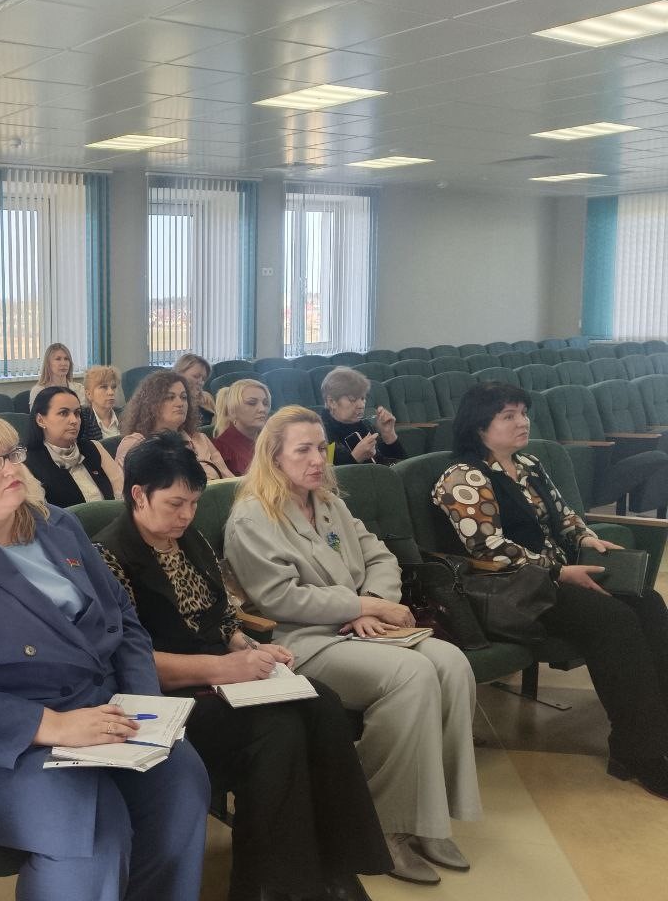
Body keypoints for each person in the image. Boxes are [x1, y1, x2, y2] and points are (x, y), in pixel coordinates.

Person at [0, 415, 211, 901]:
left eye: (12, 454)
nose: (10, 468)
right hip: (1, 743)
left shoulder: (56, 523)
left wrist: (144, 707)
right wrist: (51, 726)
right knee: (91, 826)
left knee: (181, 782)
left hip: (103, 712)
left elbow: (122, 620)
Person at [94, 433, 390, 901]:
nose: (187, 515)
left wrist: (252, 648)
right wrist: (223, 668)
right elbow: (128, 661)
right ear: (138, 495)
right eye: (175, 504)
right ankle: (270, 886)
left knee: (322, 703)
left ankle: (335, 867)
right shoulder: (110, 556)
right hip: (165, 698)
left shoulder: (187, 540)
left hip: (222, 676)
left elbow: (224, 619)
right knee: (277, 731)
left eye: (194, 503)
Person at [225, 406, 481, 886]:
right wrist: (359, 606)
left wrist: (374, 606)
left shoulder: (329, 504)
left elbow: (380, 556)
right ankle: (383, 823)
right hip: (301, 640)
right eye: (302, 450)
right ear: (274, 457)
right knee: (411, 676)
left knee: (451, 664)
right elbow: (278, 597)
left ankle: (429, 818)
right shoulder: (252, 516)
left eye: (319, 448)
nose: (316, 460)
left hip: (359, 627)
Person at [434, 382, 668, 799]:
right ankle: (637, 750)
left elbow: (565, 516)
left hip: (555, 576)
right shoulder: (462, 477)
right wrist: (558, 571)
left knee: (648, 602)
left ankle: (657, 733)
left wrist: (587, 538)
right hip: (508, 588)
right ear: (480, 427)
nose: (522, 422)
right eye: (508, 416)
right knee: (612, 618)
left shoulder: (528, 464)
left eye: (523, 413)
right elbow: (488, 548)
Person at [115, 370, 233, 481]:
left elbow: (230, 481)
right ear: (151, 404)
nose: (180, 403)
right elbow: (126, 491)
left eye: (184, 397)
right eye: (170, 397)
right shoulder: (134, 444)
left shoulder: (200, 439)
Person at [22, 386, 123, 508]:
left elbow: (122, 494)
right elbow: (43, 514)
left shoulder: (94, 448)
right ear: (40, 420)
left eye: (77, 413)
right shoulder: (28, 463)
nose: (74, 420)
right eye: (63, 413)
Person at [318, 368, 404, 466]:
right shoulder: (320, 434)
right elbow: (327, 473)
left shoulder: (364, 425)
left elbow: (401, 467)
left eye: (362, 398)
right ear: (332, 402)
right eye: (353, 399)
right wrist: (355, 458)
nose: (361, 405)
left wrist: (389, 435)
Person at [212, 380, 271, 476]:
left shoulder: (273, 440)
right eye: (252, 403)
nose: (262, 409)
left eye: (265, 403)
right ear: (232, 410)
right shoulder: (220, 449)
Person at [28, 343, 86, 408]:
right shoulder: (38, 391)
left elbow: (83, 413)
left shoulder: (79, 389)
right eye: (58, 359)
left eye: (66, 359)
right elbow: (36, 414)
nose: (63, 363)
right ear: (48, 364)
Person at [81, 365, 121, 441]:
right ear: (89, 394)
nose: (111, 392)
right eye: (104, 387)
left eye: (113, 387)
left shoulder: (125, 414)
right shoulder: (82, 418)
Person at [173, 353, 216, 425]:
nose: (201, 382)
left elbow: (217, 427)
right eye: (196, 376)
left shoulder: (206, 398)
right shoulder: (170, 402)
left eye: (203, 379)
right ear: (179, 374)